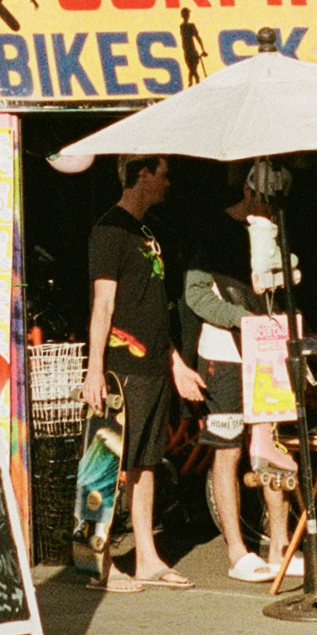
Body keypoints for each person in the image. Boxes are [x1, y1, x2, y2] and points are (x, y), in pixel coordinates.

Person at [84, 155, 206, 592]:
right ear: (143, 175)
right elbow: (103, 304)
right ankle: (97, 562)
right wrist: (95, 368)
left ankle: (148, 558)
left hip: (153, 365)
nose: (168, 183)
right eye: (163, 174)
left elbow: (151, 306)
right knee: (108, 460)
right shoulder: (109, 229)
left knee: (146, 462)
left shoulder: (147, 231)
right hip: (121, 368)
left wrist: (176, 364)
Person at [182, 173, 297, 583]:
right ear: (248, 191)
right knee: (227, 448)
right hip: (224, 352)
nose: (270, 209)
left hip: (266, 348)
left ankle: (280, 545)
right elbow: (195, 293)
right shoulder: (215, 231)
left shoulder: (275, 229)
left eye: (276, 202)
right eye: (265, 200)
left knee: (271, 443)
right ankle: (236, 551)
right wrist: (240, 318)